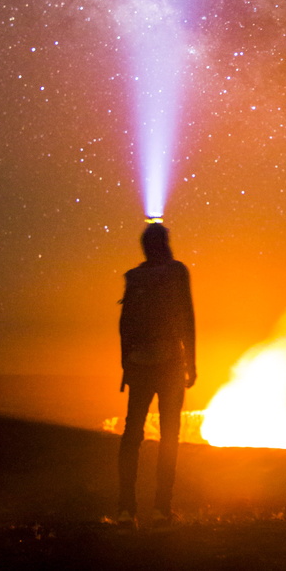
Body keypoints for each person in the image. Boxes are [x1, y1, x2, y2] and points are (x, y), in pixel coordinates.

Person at [117, 222, 196, 529]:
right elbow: (187, 316)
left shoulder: (134, 277)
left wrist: (126, 366)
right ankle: (162, 508)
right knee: (169, 436)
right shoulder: (178, 272)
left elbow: (124, 325)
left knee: (132, 435)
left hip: (138, 364)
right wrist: (192, 362)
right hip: (171, 364)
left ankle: (126, 509)